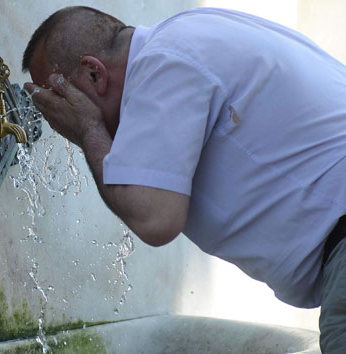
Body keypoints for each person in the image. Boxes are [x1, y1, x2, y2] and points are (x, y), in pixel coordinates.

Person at [22, 6, 346, 352]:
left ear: (93, 75)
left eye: (60, 99)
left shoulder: (164, 63)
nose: (60, 120)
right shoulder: (189, 34)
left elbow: (156, 218)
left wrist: (88, 129)